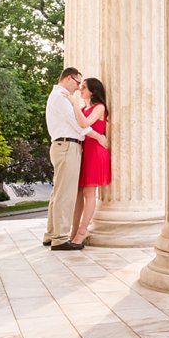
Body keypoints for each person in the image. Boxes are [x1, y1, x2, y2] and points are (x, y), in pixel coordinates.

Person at [44, 67, 107, 251]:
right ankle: (60, 238)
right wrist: (98, 137)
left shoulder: (58, 96)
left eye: (82, 85)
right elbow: (79, 125)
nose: (79, 88)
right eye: (78, 82)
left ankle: (51, 234)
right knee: (65, 195)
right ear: (69, 79)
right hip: (67, 146)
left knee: (58, 194)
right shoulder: (62, 98)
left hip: (64, 146)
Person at [65, 77, 111, 246]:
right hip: (85, 151)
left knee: (88, 193)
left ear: (93, 91)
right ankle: (73, 231)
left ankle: (82, 233)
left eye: (84, 87)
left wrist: (74, 104)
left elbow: (85, 124)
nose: (81, 90)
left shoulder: (99, 107)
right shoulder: (85, 107)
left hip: (95, 152)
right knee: (78, 194)